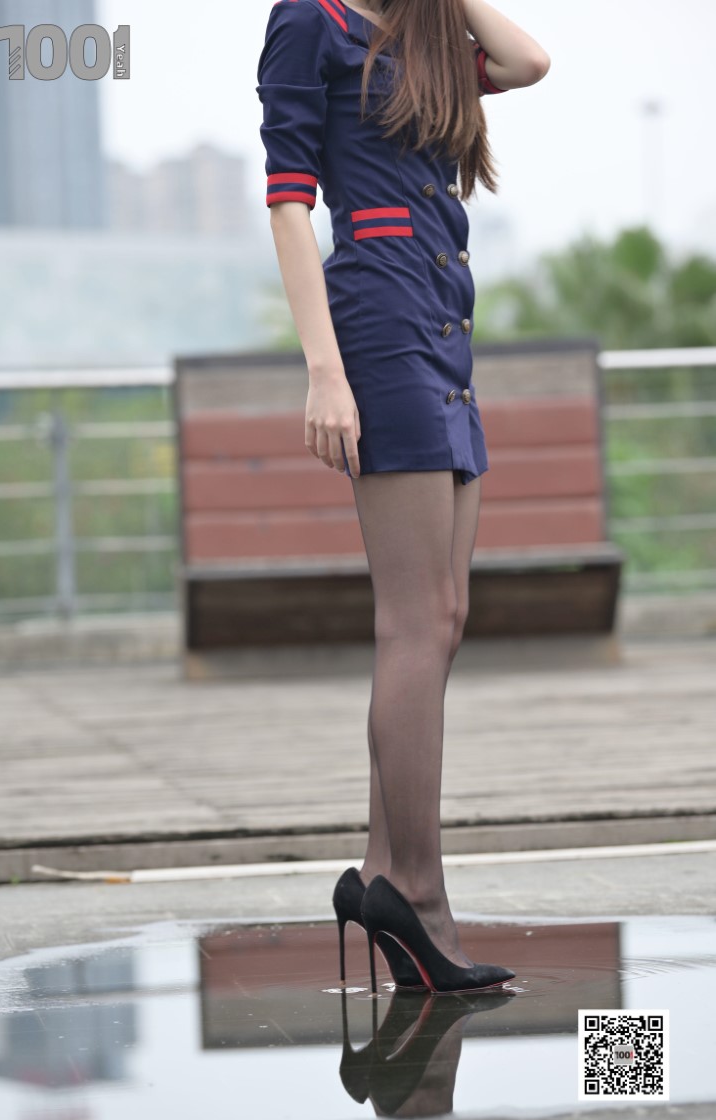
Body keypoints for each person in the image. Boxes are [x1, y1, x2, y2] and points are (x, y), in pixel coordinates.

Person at [256, 0, 550, 993]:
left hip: (443, 319)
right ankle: (417, 893)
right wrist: (324, 371)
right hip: (378, 325)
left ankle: (385, 868)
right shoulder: (309, 20)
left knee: (445, 617)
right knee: (414, 621)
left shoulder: (421, 35)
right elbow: (289, 201)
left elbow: (529, 62)